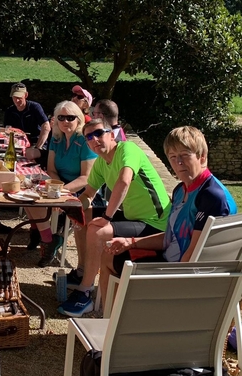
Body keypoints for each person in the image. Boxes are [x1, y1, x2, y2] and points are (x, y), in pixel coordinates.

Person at [99, 126, 237, 308]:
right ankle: (114, 322)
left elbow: (195, 254)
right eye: (173, 157)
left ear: (202, 156)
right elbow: (172, 237)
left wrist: (172, 292)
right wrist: (131, 242)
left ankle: (114, 325)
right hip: (172, 262)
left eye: (185, 155)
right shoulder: (181, 190)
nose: (178, 162)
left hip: (181, 275)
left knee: (110, 261)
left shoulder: (211, 196)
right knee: (109, 255)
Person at [58, 118, 170, 318]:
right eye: (89, 138)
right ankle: (84, 271)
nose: (94, 140)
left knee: (97, 229)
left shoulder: (128, 150)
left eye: (99, 133)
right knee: (86, 216)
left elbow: (124, 181)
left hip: (155, 224)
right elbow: (88, 194)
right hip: (134, 217)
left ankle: (85, 292)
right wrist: (69, 208)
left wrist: (108, 217)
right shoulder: (101, 163)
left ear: (112, 133)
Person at [27, 101, 97, 265]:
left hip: (82, 188)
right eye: (61, 117)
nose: (66, 121)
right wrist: (54, 188)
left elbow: (86, 177)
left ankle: (47, 240)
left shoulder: (84, 141)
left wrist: (61, 192)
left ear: (78, 119)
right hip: (60, 183)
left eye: (70, 117)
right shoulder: (56, 138)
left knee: (42, 200)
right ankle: (45, 237)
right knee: (29, 194)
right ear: (56, 120)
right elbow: (51, 169)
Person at [4, 83, 50, 154]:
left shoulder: (35, 107)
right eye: (14, 98)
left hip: (35, 142)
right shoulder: (10, 111)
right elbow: (6, 130)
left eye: (19, 98)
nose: (17, 101)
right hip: (18, 144)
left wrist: (37, 147)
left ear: (26, 95)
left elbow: (46, 127)